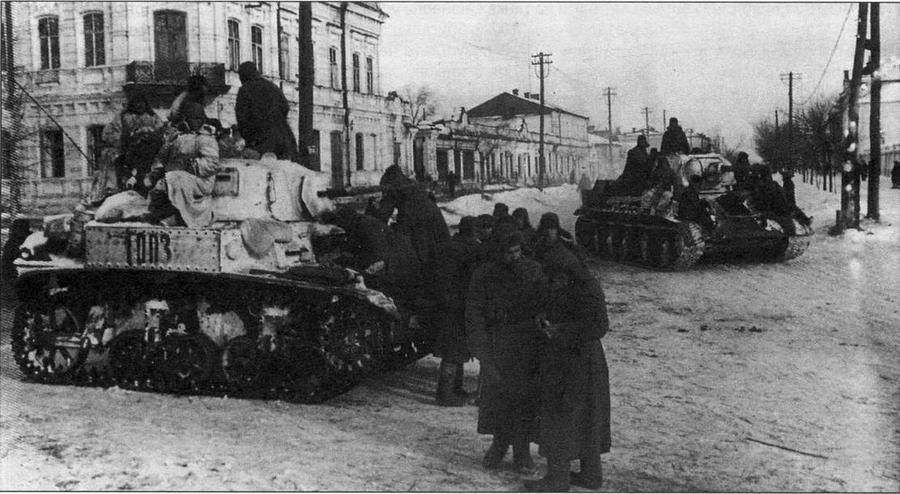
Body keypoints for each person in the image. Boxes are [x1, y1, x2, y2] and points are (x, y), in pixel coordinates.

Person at [526, 213, 611, 492]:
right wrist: (543, 316)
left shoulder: (586, 289)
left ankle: (558, 479)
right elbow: (556, 306)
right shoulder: (574, 283)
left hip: (576, 361)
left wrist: (560, 331)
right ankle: (591, 475)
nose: (551, 284)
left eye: (554, 279)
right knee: (587, 417)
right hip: (583, 362)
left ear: (565, 273)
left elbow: (598, 326)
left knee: (559, 415)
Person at [466, 231, 547, 474]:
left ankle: (522, 452)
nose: (514, 257)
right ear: (498, 253)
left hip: (527, 345)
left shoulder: (533, 270)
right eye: (508, 253)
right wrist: (480, 346)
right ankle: (499, 445)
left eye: (517, 251)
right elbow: (474, 312)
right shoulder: (484, 275)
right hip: (497, 344)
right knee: (498, 398)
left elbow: (545, 303)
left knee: (525, 400)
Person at [433, 216, 484, 406]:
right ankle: (445, 394)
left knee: (454, 348)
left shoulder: (447, 246)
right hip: (460, 304)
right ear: (473, 231)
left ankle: (454, 389)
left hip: (444, 303)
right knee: (455, 349)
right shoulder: (471, 249)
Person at [146, 102, 221, 227]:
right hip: (175, 176)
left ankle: (181, 218)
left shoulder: (206, 139)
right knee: (159, 188)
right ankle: (162, 214)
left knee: (174, 178)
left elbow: (211, 164)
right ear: (186, 119)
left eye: (200, 118)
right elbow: (161, 158)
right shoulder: (177, 137)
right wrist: (155, 172)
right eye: (194, 118)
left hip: (200, 180)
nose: (198, 121)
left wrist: (188, 165)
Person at [102, 91, 165, 196]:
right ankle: (115, 186)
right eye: (137, 103)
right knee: (116, 161)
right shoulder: (123, 116)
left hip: (150, 149)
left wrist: (150, 134)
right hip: (128, 148)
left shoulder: (152, 116)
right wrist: (125, 139)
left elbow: (160, 130)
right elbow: (112, 132)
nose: (139, 105)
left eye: (142, 102)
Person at [235, 61, 299, 161]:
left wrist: (249, 137)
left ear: (243, 75)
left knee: (260, 169)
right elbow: (285, 107)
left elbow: (242, 118)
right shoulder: (272, 86)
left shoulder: (245, 90)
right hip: (284, 139)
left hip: (260, 142)